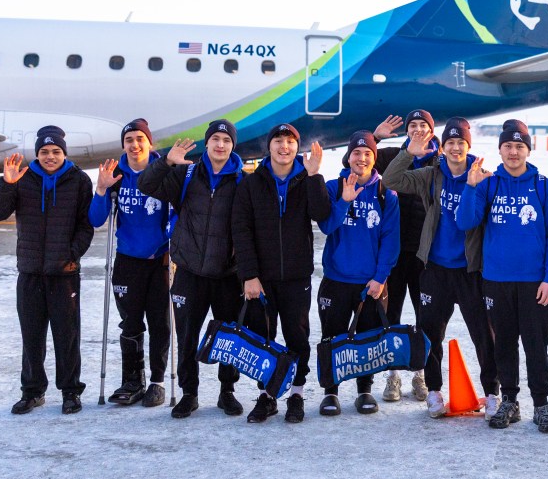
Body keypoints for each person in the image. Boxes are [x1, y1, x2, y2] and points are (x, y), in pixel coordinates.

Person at [381, 117, 500, 419]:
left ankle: (492, 393)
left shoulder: (483, 176)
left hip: (470, 270)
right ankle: (434, 391)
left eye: (461, 143)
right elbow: (392, 180)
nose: (456, 148)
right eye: (451, 143)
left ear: (468, 145)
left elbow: (472, 221)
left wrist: (474, 187)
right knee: (430, 333)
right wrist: (408, 151)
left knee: (484, 335)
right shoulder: (431, 174)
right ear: (442, 147)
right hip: (435, 268)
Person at [455, 119, 548, 433]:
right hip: (496, 279)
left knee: (535, 344)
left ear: (528, 150)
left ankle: (541, 405)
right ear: (500, 149)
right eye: (508, 146)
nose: (514, 152)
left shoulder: (544, 186)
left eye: (520, 146)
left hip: (534, 282)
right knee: (503, 343)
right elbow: (465, 222)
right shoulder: (489, 183)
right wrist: (471, 186)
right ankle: (510, 401)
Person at [138, 119, 245, 419]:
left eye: (226, 140)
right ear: (207, 143)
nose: (220, 145)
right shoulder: (186, 174)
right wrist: (165, 164)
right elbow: (146, 185)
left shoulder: (241, 181)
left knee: (228, 337)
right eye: (215, 139)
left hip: (227, 274)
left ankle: (227, 392)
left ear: (232, 145)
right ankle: (190, 393)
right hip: (189, 272)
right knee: (186, 336)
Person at [0, 125, 94, 415]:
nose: (51, 156)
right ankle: (32, 391)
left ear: (64, 153)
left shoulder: (79, 181)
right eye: (45, 152)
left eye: (56, 152)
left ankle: (71, 391)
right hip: (31, 272)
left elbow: (87, 226)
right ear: (37, 154)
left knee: (67, 335)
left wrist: (72, 254)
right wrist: (6, 183)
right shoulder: (24, 179)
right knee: (32, 336)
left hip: (64, 274)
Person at [232, 123, 330, 424]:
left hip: (297, 276)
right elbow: (241, 230)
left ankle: (297, 393)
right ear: (269, 147)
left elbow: (321, 214)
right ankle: (268, 395)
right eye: (278, 141)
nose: (284, 147)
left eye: (290, 142)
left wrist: (314, 175)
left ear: (296, 148)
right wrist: (249, 275)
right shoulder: (251, 183)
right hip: (261, 277)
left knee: (297, 336)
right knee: (264, 337)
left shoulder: (307, 178)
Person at [87, 118, 171, 408]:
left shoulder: (163, 172)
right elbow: (97, 219)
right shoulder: (116, 174)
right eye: (129, 140)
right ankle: (133, 381)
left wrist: (169, 238)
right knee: (131, 323)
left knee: (160, 322)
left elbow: (176, 213)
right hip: (127, 261)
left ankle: (158, 382)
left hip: (159, 260)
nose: (135, 145)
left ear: (149, 143)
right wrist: (101, 190)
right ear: (123, 145)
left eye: (140, 139)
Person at [317, 130, 400, 416]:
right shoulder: (333, 186)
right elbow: (327, 227)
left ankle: (365, 389)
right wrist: (344, 201)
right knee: (333, 336)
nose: (362, 158)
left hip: (370, 283)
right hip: (337, 279)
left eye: (367, 154)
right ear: (348, 156)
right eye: (356, 153)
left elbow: (390, 239)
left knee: (368, 338)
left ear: (374, 158)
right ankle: (331, 392)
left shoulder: (386, 194)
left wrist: (380, 277)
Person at [372, 110, 440, 403]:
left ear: (432, 131)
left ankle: (421, 372)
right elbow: (353, 160)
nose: (416, 130)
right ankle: (392, 375)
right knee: (391, 316)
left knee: (427, 318)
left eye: (422, 125)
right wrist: (374, 138)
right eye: (412, 125)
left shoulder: (441, 161)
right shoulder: (389, 156)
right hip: (395, 254)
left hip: (426, 255)